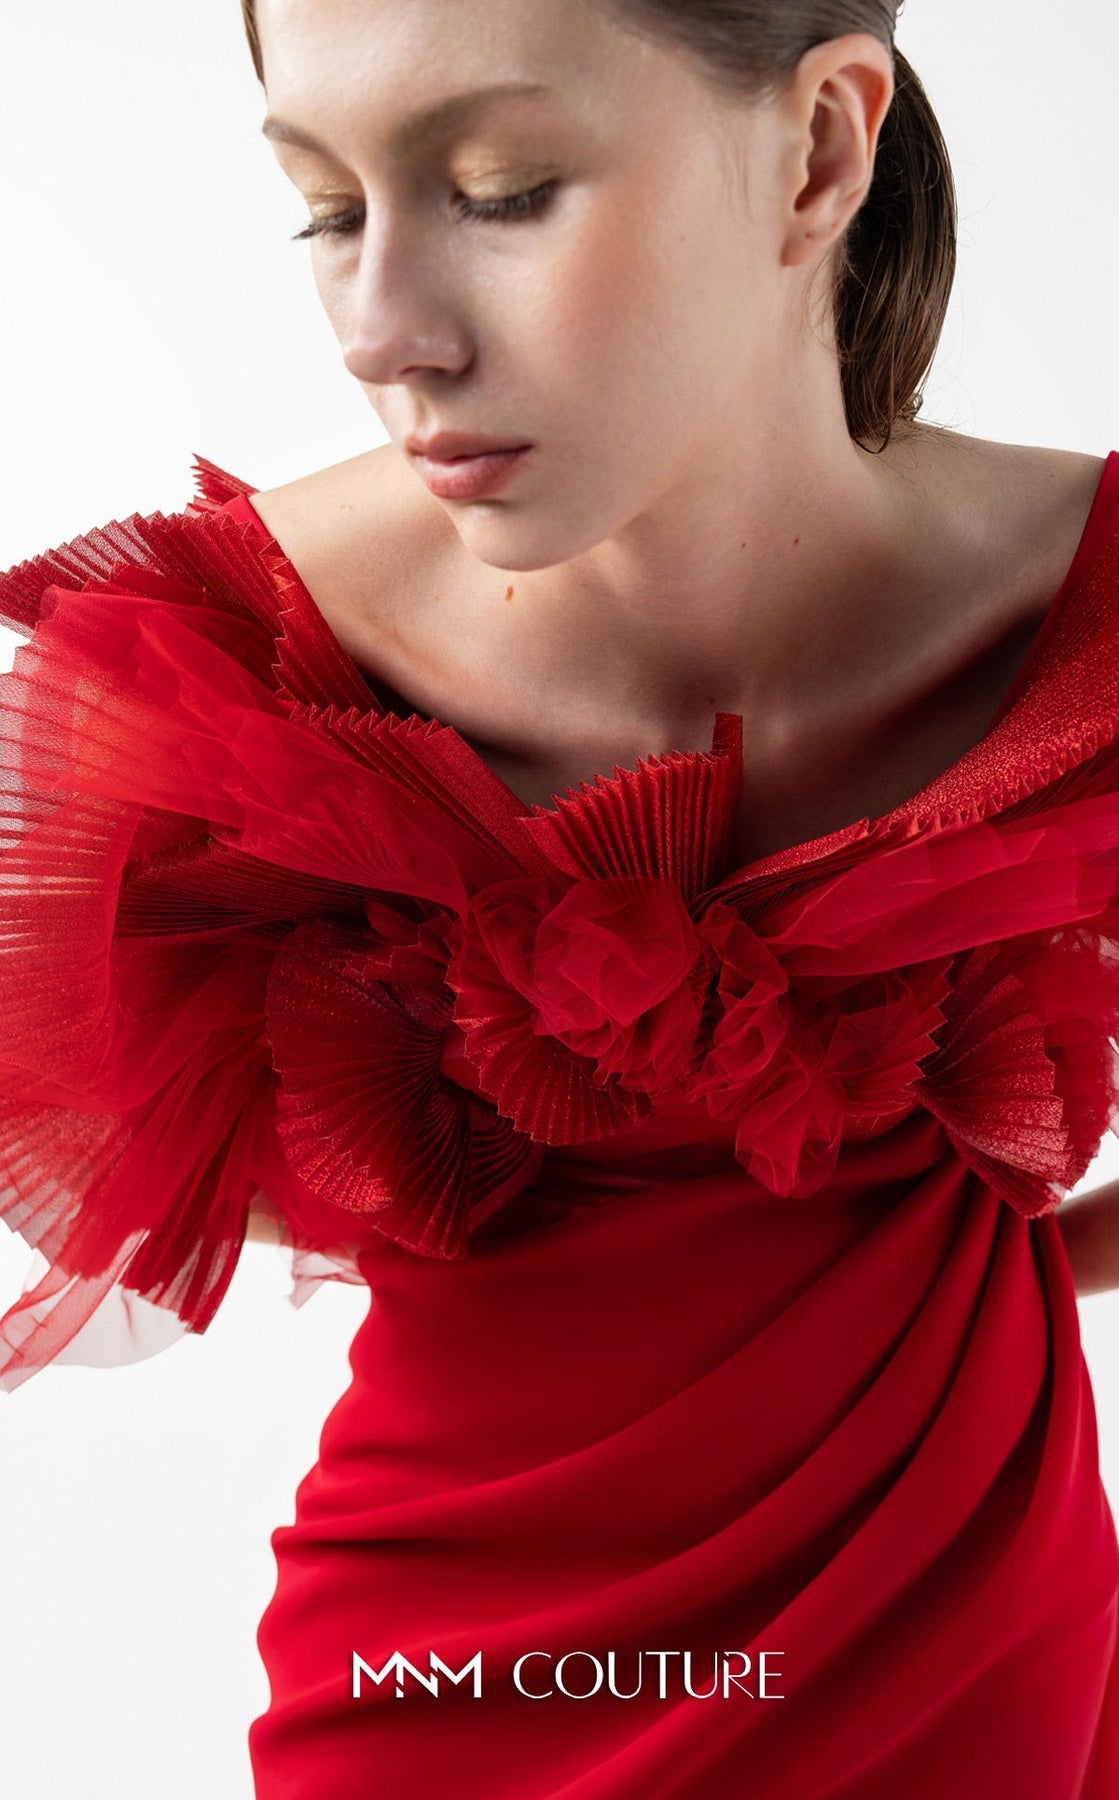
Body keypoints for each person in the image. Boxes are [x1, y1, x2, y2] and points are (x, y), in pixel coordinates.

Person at [2, 0, 1119, 1792]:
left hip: (949, 1629)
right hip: (436, 1667)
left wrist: (966, 1280)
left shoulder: (1091, 615)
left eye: (502, 188)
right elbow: (128, 1161)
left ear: (822, 151)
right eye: (326, 208)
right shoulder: (229, 665)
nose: (383, 333)